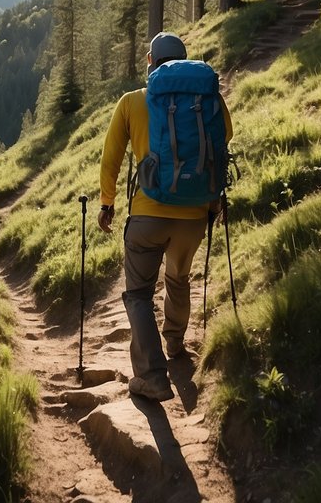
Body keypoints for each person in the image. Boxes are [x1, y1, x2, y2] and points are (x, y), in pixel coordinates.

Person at [97, 31, 233, 402]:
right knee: (178, 279)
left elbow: (110, 158)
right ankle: (174, 344)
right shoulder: (208, 100)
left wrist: (107, 203)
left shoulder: (132, 102)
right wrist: (214, 200)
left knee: (139, 294)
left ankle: (153, 377)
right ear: (183, 62)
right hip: (193, 217)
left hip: (147, 216)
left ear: (150, 62)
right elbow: (223, 142)